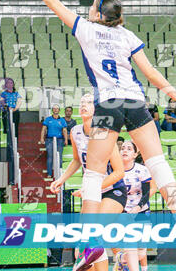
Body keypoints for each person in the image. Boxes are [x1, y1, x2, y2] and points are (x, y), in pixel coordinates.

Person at [23, 0, 176, 270]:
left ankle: (91, 245)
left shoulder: (86, 29)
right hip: (135, 102)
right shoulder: (127, 36)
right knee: (159, 164)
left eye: (92, 6)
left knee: (93, 173)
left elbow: (53, 3)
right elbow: (149, 72)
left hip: (107, 105)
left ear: (96, 14)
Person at [50, 94, 126, 271]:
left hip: (113, 190)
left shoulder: (105, 134)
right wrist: (61, 179)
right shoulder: (75, 131)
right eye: (81, 102)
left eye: (89, 102)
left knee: (95, 232)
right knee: (82, 248)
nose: (83, 105)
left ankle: (121, 256)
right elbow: (77, 160)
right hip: (91, 193)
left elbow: (119, 172)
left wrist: (90, 188)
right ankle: (120, 258)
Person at [113, 141, 157, 271]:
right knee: (129, 245)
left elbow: (147, 192)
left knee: (142, 252)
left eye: (129, 149)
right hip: (123, 212)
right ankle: (128, 264)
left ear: (135, 154)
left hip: (141, 211)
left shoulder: (142, 170)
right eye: (122, 148)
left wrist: (138, 207)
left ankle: (121, 259)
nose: (125, 150)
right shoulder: (113, 170)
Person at [39, 105, 68, 179]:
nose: (55, 110)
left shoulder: (62, 120)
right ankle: (49, 173)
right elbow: (43, 129)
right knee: (50, 156)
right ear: (52, 110)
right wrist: (42, 138)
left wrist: (66, 139)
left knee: (59, 156)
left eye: (57, 109)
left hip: (59, 140)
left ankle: (59, 173)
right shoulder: (48, 119)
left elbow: (64, 130)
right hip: (49, 140)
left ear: (59, 110)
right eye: (54, 109)